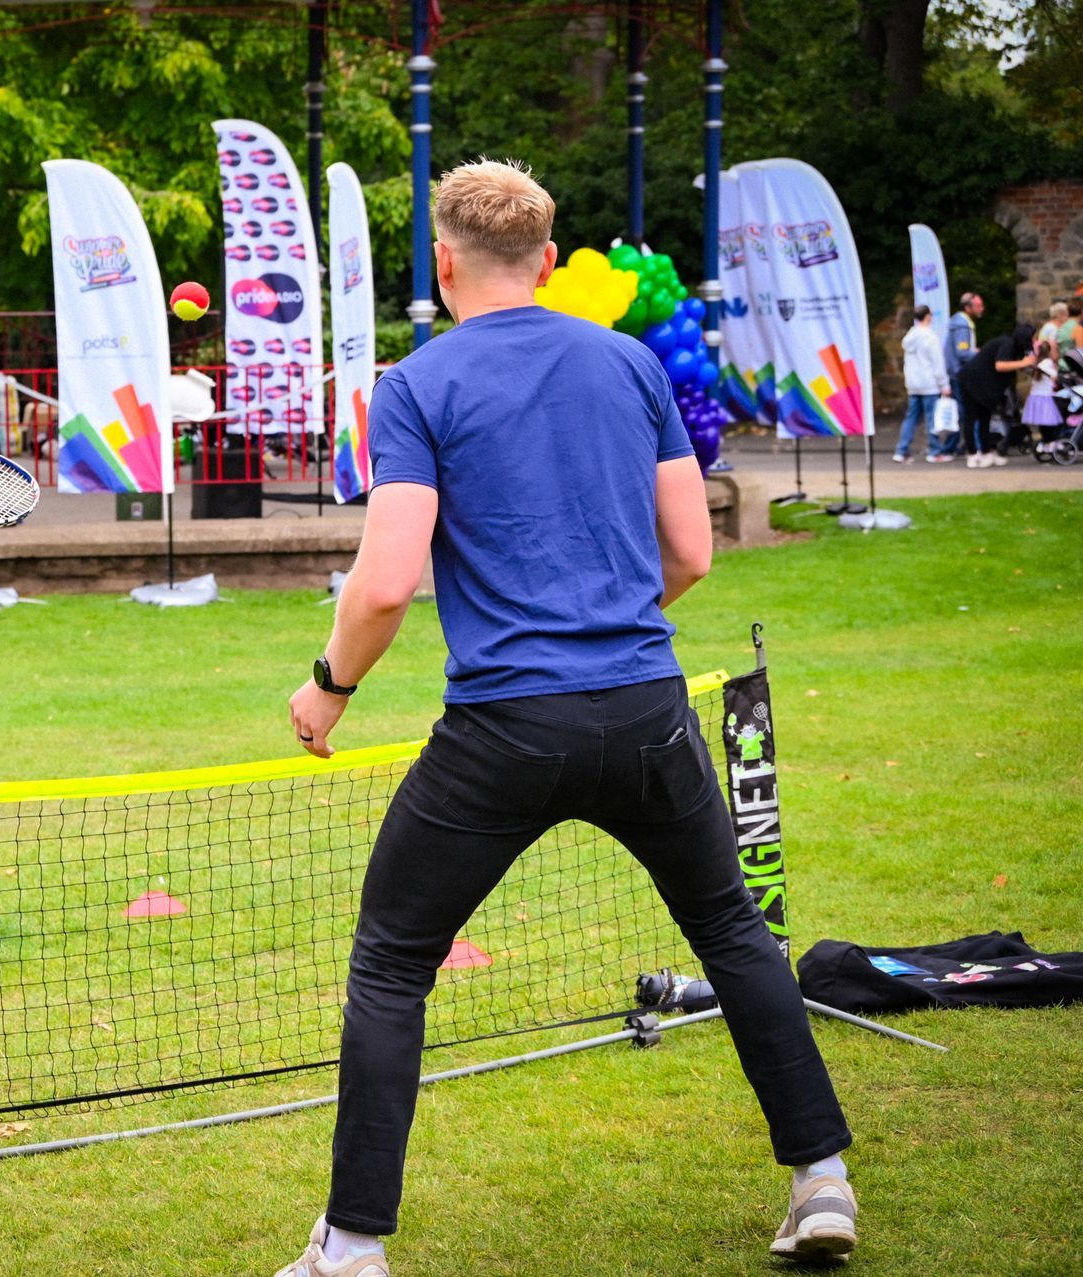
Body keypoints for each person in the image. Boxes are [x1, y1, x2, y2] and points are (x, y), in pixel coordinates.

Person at [276, 160, 856, 1277]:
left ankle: (350, 1247)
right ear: (547, 262)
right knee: (735, 933)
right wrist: (609, 620)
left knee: (394, 962)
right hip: (645, 710)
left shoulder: (416, 382)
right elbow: (690, 552)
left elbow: (386, 580)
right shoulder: (631, 361)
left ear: (444, 264)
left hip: (505, 728)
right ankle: (820, 1177)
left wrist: (329, 684)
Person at [957, 324, 1039, 469]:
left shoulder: (1014, 348)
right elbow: (1000, 365)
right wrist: (1024, 362)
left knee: (984, 418)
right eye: (1032, 337)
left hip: (984, 387)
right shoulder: (1007, 343)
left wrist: (1030, 364)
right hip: (971, 381)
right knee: (971, 418)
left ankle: (986, 452)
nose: (1034, 340)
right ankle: (972, 454)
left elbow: (1017, 366)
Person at [893, 304, 951, 463]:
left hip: (913, 384)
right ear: (927, 317)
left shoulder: (910, 337)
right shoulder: (930, 337)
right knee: (931, 418)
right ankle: (934, 451)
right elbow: (937, 363)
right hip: (929, 384)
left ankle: (901, 450)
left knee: (910, 418)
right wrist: (944, 384)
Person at [937, 292, 984, 462]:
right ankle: (971, 447)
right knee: (966, 413)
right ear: (968, 307)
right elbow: (962, 352)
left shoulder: (960, 324)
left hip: (956, 373)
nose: (982, 309)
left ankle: (952, 448)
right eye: (978, 306)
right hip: (960, 375)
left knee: (961, 413)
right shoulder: (963, 326)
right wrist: (979, 353)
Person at [1023, 304, 1068, 449]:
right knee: (1051, 420)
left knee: (1044, 422)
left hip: (1036, 396)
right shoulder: (1048, 363)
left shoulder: (1040, 363)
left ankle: (1045, 443)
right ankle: (1051, 442)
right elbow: (1054, 376)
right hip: (1045, 396)